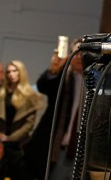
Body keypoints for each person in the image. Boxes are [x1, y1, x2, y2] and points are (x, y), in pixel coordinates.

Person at [22, 39, 83, 180]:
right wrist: (54, 70)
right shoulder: (63, 75)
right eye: (76, 52)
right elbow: (43, 86)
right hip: (58, 147)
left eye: (84, 52)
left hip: (83, 150)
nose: (79, 56)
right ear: (70, 55)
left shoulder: (97, 77)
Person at [0, 60, 43, 146]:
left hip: (18, 142)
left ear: (21, 72)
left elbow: (29, 124)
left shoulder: (30, 96)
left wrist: (11, 138)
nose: (11, 74)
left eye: (15, 71)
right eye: (8, 72)